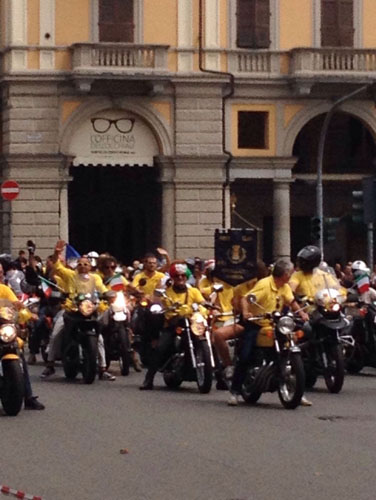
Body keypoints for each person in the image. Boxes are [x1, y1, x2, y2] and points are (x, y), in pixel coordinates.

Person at [227, 259, 309, 406]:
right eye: (290, 273)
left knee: (291, 346)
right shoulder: (265, 285)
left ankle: (298, 391)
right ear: (284, 274)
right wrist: (246, 313)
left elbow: (291, 302)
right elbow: (246, 299)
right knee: (245, 355)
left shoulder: (284, 286)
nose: (291, 275)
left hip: (276, 324)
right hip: (257, 323)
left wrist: (302, 314)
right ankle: (235, 391)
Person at [40, 240, 115, 381]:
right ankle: (50, 364)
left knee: (98, 338)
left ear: (90, 266)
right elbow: (57, 267)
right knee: (56, 332)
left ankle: (102, 368)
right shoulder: (70, 275)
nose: (82, 266)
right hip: (71, 309)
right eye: (80, 264)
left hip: (90, 310)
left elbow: (103, 290)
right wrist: (57, 253)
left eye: (85, 264)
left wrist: (109, 296)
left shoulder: (96, 278)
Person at [139, 263, 206, 390]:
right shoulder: (167, 293)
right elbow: (162, 307)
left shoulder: (193, 291)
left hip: (192, 322)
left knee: (208, 341)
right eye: (177, 276)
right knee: (160, 348)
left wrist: (206, 305)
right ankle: (149, 379)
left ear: (186, 277)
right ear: (173, 278)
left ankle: (220, 378)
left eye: (183, 276)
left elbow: (201, 302)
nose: (180, 278)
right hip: (173, 325)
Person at [0, 269, 45, 410]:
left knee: (16, 350)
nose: (0, 274)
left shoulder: (4, 289)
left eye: (0, 272)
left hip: (2, 330)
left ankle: (28, 396)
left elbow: (15, 304)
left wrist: (27, 313)